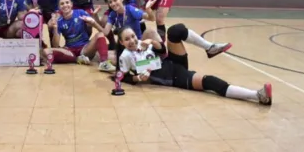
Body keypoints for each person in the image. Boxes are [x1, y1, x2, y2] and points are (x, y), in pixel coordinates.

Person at [115, 25, 272, 105]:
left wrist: (150, 41)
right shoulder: (126, 57)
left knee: (176, 30)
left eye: (133, 36)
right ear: (121, 42)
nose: (132, 41)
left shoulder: (142, 43)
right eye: (127, 39)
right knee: (210, 82)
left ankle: (210, 47)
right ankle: (258, 96)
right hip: (175, 77)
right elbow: (124, 77)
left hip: (173, 61)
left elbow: (162, 50)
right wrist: (138, 78)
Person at [47, 0, 116, 72]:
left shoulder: (80, 12)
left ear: (71, 4)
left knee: (100, 35)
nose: (65, 5)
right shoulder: (59, 21)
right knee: (46, 52)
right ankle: (77, 59)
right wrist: (55, 27)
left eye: (67, 2)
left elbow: (90, 25)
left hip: (85, 48)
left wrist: (93, 16)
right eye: (62, 4)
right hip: (70, 50)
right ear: (59, 7)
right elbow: (55, 45)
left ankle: (104, 63)